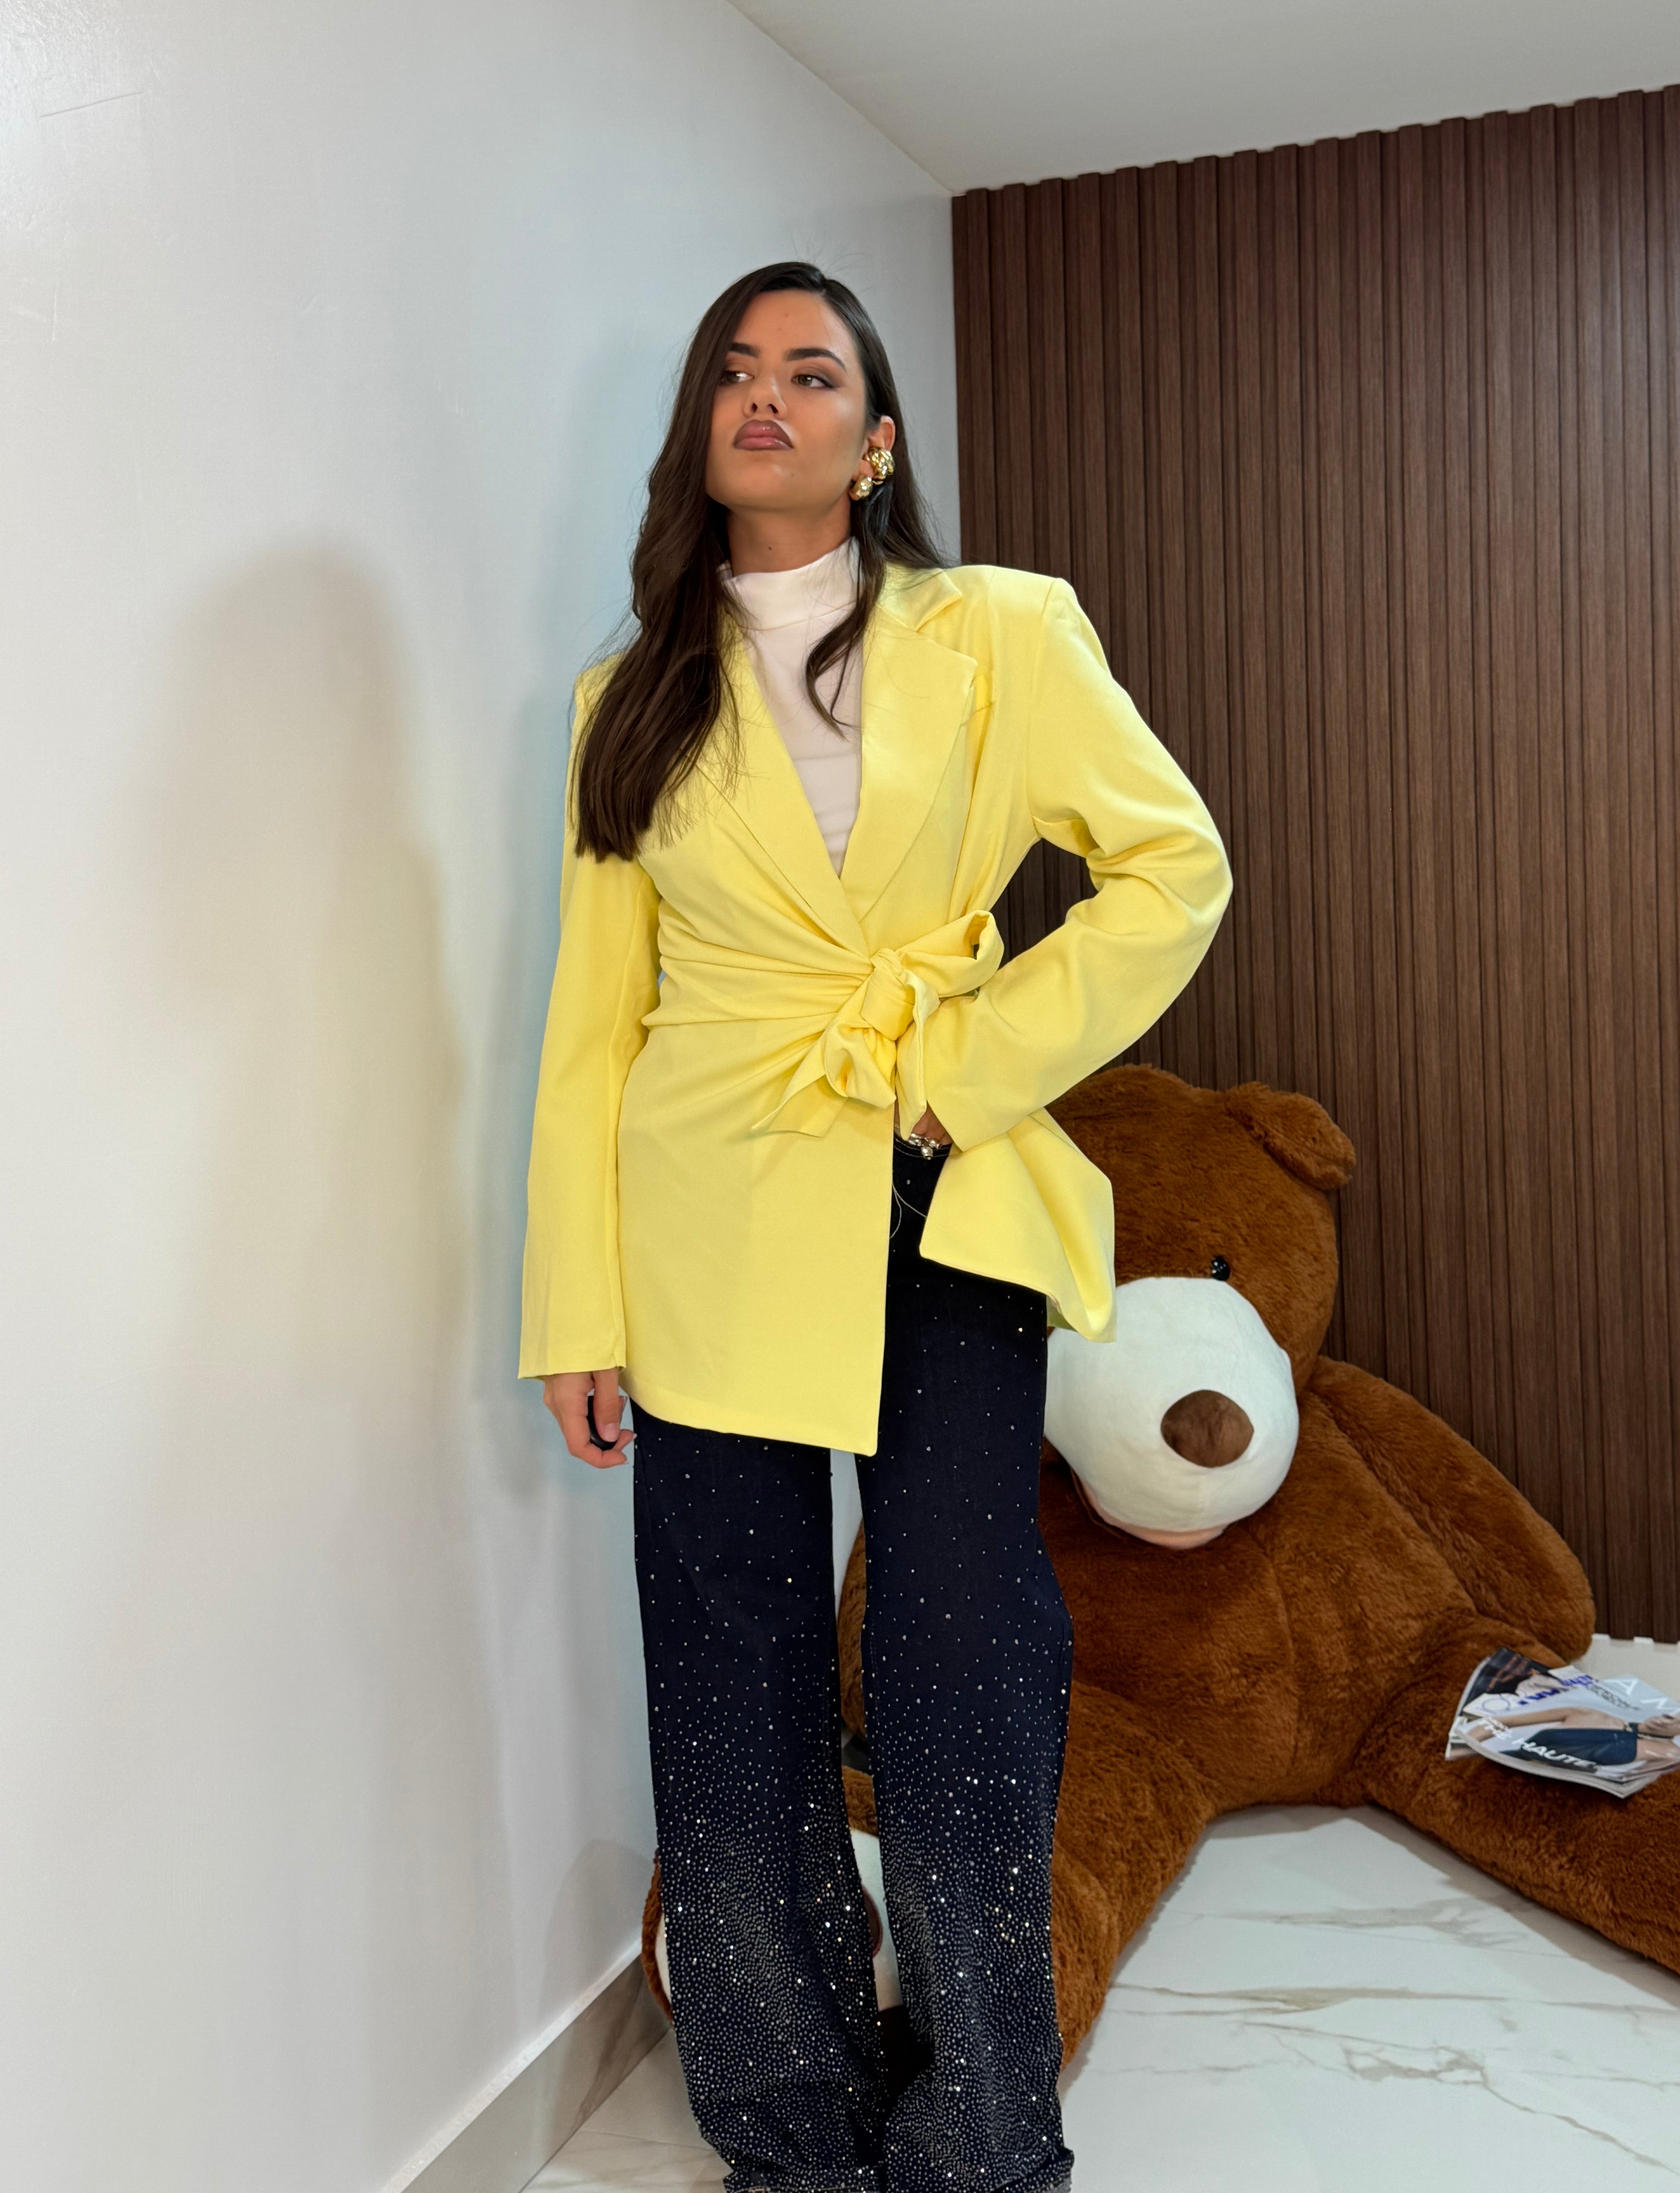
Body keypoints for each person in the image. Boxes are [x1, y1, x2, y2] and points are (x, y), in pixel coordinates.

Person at [518, 260, 1232, 2193]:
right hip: (706, 1194)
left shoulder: (1001, 631)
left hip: (939, 1169)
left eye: (813, 372)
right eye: (734, 371)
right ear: (700, 427)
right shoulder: (622, 698)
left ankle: (983, 2126)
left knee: (955, 1639)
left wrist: (967, 1071)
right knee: (726, 1654)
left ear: (874, 439)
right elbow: (592, 1032)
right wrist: (575, 1309)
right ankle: (786, 2125)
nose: (769, 394)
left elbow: (1174, 869)